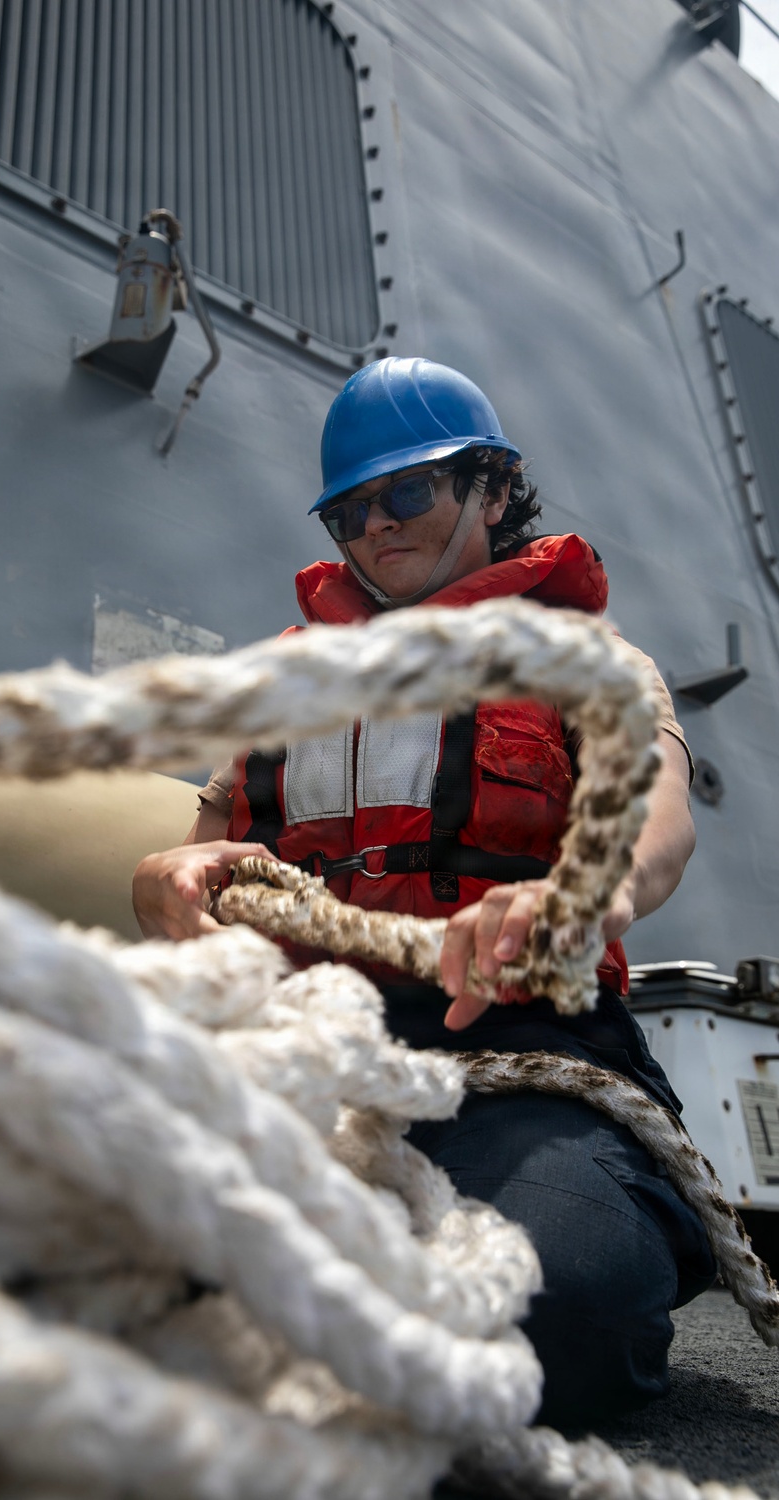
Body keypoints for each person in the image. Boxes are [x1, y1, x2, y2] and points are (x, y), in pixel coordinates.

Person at [133, 357, 716, 1427]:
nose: (376, 528)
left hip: (524, 1054)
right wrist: (168, 877)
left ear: (493, 490)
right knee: (88, 1264)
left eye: (409, 492)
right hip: (316, 1055)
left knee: (553, 1310)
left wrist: (583, 892)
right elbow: (207, 840)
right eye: (350, 510)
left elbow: (653, 820)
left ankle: (603, 1209)